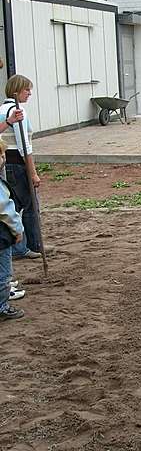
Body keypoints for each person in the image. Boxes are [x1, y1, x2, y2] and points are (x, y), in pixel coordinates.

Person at [0, 75, 44, 258]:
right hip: (17, 164)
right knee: (28, 205)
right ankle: (27, 246)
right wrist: (33, 173)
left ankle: (25, 245)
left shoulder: (2, 109)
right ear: (17, 91)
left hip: (6, 163)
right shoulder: (18, 113)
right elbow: (24, 146)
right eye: (27, 90)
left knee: (16, 204)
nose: (30, 93)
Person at [0, 138, 25, 321]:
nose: (3, 159)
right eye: (1, 155)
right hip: (1, 236)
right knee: (4, 273)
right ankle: (2, 306)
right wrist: (17, 230)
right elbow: (6, 210)